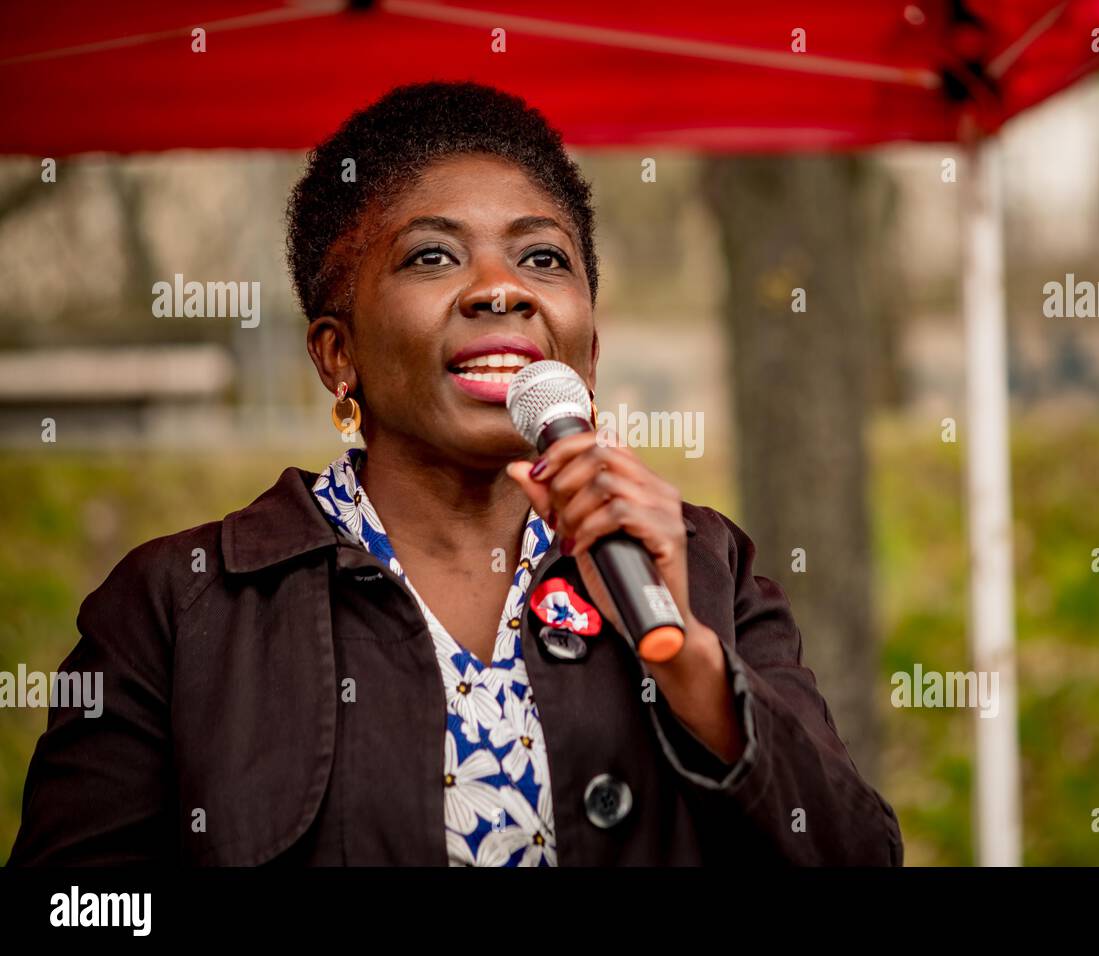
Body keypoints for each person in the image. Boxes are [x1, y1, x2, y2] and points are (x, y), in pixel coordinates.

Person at [9, 81, 902, 866]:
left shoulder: (706, 567)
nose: (500, 289)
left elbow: (857, 855)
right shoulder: (178, 608)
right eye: (432, 255)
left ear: (586, 351)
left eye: (542, 257)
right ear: (337, 354)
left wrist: (692, 662)